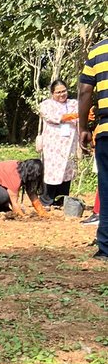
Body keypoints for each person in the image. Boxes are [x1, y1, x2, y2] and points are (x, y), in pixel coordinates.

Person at [78, 35, 108, 258]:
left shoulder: (98, 50)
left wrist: (84, 127)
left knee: (106, 189)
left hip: (106, 130)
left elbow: (85, 91)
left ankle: (105, 247)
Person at [38, 79, 78, 207]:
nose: (62, 94)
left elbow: (83, 114)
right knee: (51, 170)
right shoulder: (46, 105)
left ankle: (62, 200)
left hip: (69, 143)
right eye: (58, 92)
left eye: (64, 91)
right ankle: (47, 201)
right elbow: (54, 118)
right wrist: (76, 115)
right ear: (52, 93)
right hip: (53, 145)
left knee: (67, 170)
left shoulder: (74, 103)